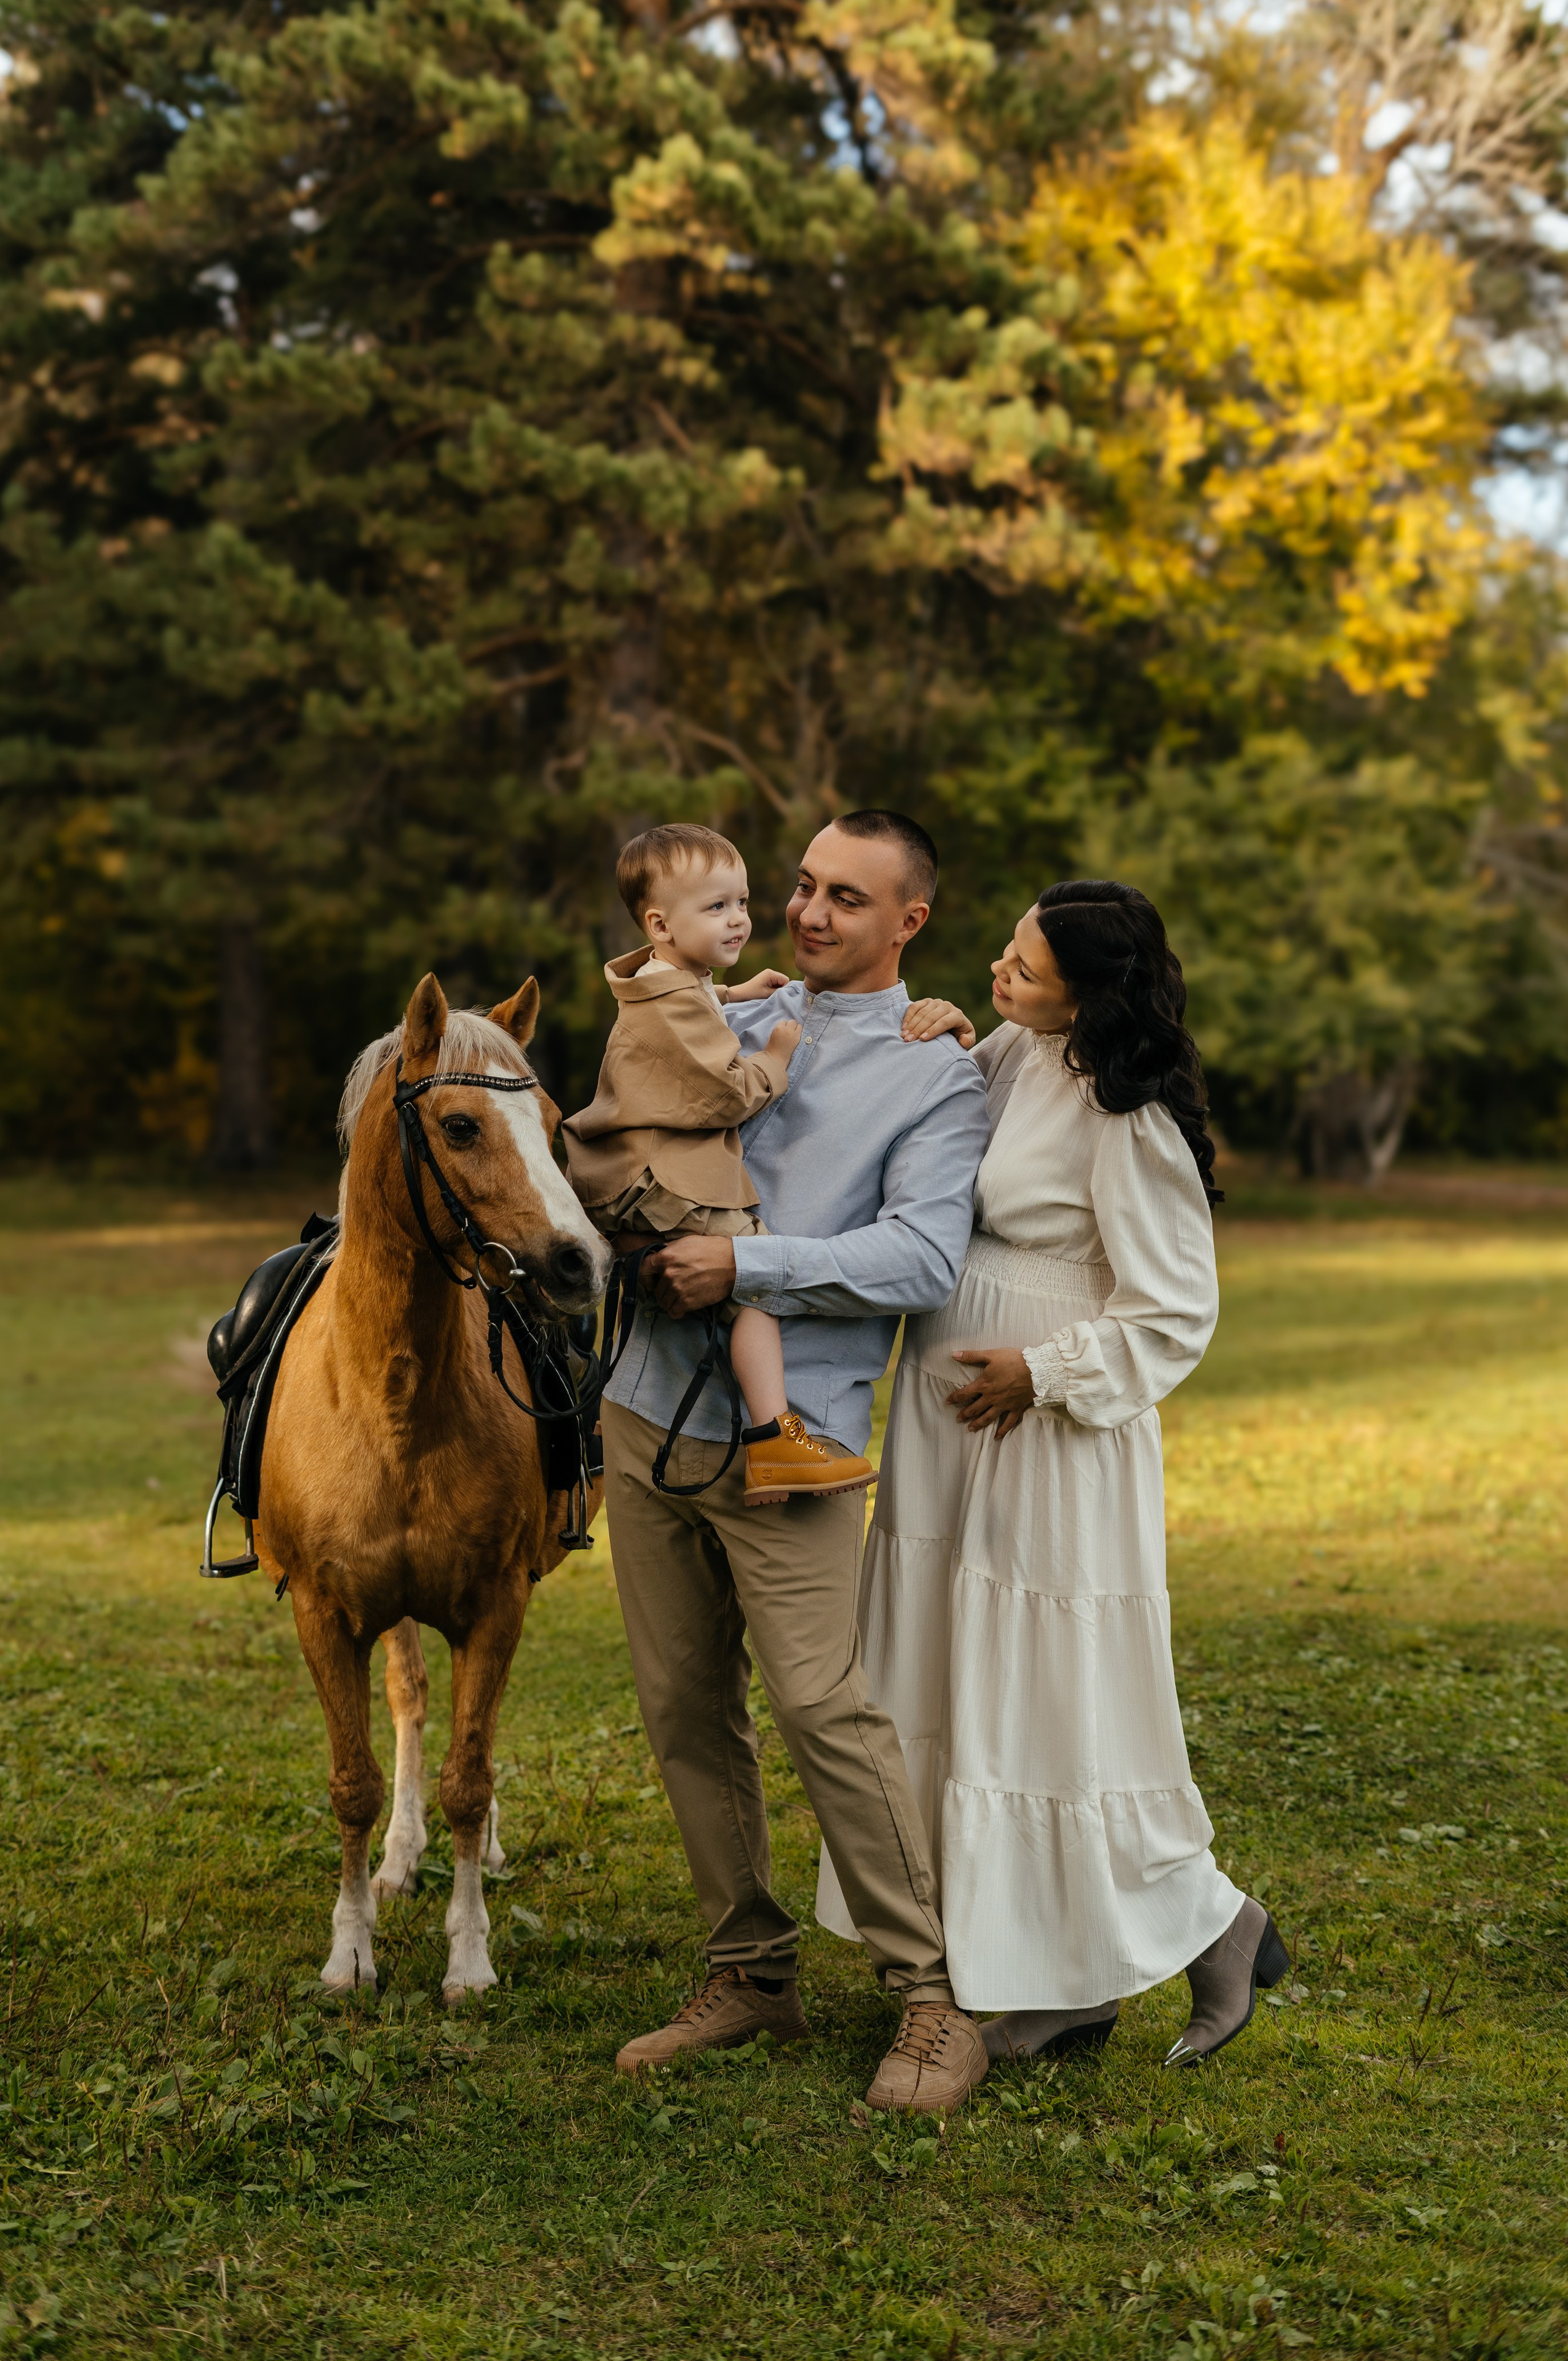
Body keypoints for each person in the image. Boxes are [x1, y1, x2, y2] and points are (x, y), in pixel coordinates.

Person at [816, 880, 1290, 2067]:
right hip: (952, 1435)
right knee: (970, 1692)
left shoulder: (1128, 1116)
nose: (1000, 974)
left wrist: (1045, 1370)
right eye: (1007, 954)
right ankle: (1058, 1980)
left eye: (1025, 969)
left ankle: (1219, 1925)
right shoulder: (1016, 1056)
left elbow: (1177, 1309)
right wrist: (933, 1032)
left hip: (1051, 1433)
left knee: (1053, 1698)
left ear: (1089, 991)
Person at [599, 810, 996, 2112]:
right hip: (646, 1411)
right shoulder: (715, 1002)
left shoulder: (936, 1071)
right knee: (681, 1706)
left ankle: (930, 1999)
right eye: (805, 887)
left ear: (909, 923)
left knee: (826, 1710)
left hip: (795, 1442)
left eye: (846, 897)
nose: (810, 913)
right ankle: (749, 1971)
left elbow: (924, 1260)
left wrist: (747, 1264)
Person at [563, 821, 877, 1507]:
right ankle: (774, 1436)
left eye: (740, 902)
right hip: (662, 1179)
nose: (738, 919)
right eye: (715, 908)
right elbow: (722, 1094)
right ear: (660, 923)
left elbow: (685, 1007)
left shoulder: (666, 979)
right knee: (754, 1278)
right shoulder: (679, 1000)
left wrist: (734, 997)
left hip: (633, 1170)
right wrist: (775, 1057)